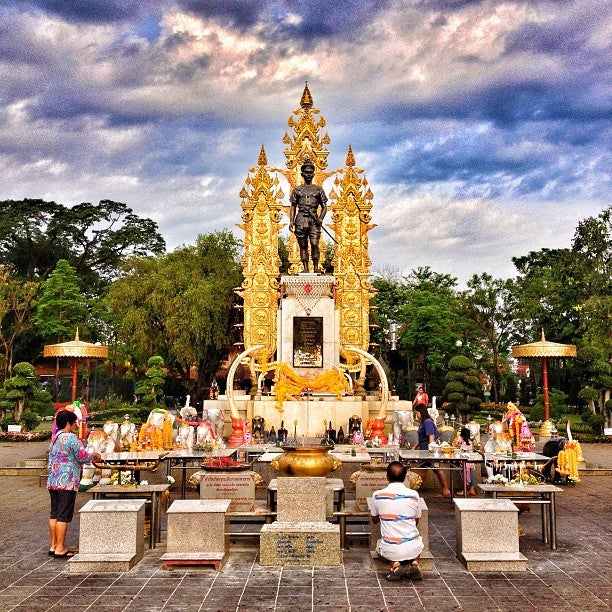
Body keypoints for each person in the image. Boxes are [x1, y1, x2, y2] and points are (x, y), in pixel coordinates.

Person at [47, 409, 101, 558]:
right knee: (63, 515)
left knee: (54, 514)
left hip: (53, 480)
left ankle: (53, 545)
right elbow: (82, 456)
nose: (75, 427)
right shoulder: (71, 438)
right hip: (67, 481)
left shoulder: (55, 438)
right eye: (73, 424)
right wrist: (94, 455)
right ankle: (60, 548)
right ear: (68, 424)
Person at [370, 461, 424, 581]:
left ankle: (395, 565)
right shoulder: (414, 495)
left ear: (387, 476)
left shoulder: (377, 495)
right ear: (405, 477)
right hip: (413, 547)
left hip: (390, 549)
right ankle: (414, 563)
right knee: (417, 540)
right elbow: (416, 521)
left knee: (380, 546)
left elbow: (374, 520)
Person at [289, 158, 328, 273]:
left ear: (313, 174)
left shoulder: (318, 189)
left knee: (315, 243)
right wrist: (291, 221)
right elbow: (293, 206)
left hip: (314, 219)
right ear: (302, 174)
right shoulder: (297, 190)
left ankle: (316, 267)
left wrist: (320, 218)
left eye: (311, 172)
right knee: (303, 245)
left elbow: (325, 206)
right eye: (306, 172)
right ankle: (305, 268)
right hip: (300, 218)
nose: (308, 175)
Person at [412, 403, 451, 498]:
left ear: (421, 412)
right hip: (425, 450)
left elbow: (431, 437)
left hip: (428, 452)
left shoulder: (427, 422)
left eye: (417, 413)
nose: (416, 415)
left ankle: (415, 490)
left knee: (424, 470)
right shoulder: (423, 423)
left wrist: (430, 451)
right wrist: (414, 447)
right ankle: (445, 490)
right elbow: (421, 438)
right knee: (436, 469)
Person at [454, 427, 476, 496]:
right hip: (470, 461)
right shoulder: (470, 442)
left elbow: (460, 450)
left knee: (465, 476)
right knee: (470, 475)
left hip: (465, 461)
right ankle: (472, 489)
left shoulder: (463, 442)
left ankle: (465, 490)